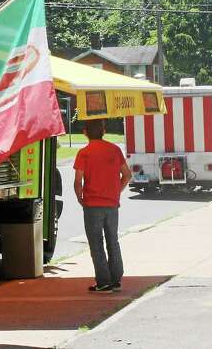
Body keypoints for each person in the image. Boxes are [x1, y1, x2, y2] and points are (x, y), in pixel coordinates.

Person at [74, 118, 130, 293]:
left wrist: (79, 197)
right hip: (112, 204)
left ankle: (103, 281)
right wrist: (117, 191)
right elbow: (127, 175)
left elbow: (78, 181)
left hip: (92, 204)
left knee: (96, 243)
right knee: (113, 240)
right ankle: (116, 279)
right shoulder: (115, 150)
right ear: (104, 131)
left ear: (85, 132)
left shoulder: (84, 153)